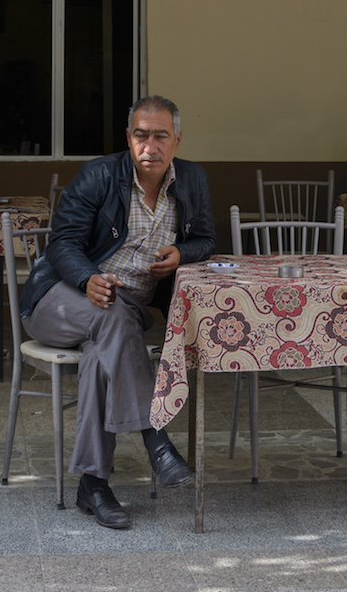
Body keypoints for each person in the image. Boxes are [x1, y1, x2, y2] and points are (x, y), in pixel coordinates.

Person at [19, 95, 215, 530]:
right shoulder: (99, 176)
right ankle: (157, 442)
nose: (150, 146)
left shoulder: (192, 180)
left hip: (120, 314)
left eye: (160, 136)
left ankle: (93, 485)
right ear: (128, 138)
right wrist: (88, 276)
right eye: (140, 135)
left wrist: (182, 252)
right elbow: (62, 242)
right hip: (57, 299)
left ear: (176, 140)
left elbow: (205, 240)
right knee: (110, 317)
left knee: (102, 350)